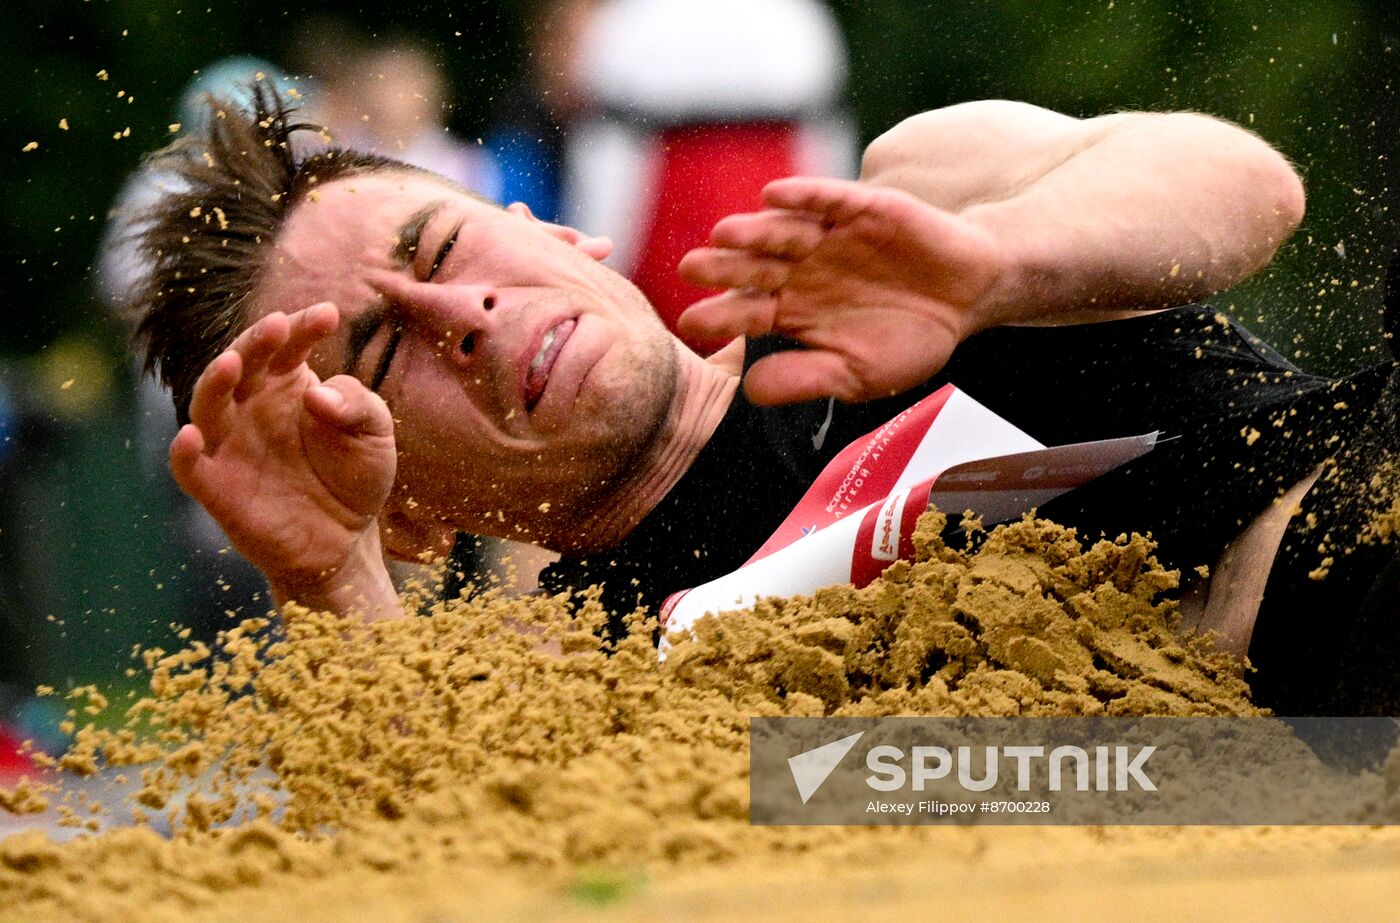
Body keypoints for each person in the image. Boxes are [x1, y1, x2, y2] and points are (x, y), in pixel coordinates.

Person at [128, 86, 1397, 712]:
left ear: (557, 228)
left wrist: (1002, 261)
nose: (463, 321)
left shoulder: (905, 209)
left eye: (442, 253)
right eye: (379, 357)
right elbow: (443, 855)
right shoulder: (566, 679)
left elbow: (1237, 185)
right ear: (406, 512)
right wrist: (334, 582)